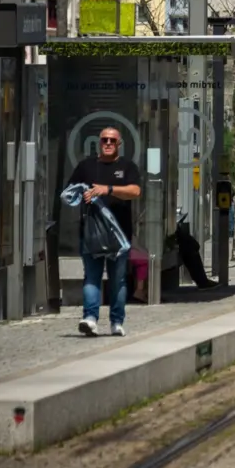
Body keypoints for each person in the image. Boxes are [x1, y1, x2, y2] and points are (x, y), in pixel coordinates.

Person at [66, 127, 142, 337]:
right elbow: (69, 192)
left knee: (117, 280)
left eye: (112, 140)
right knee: (92, 276)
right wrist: (83, 193)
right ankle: (90, 318)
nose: (107, 143)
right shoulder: (86, 166)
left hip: (119, 235)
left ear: (119, 144)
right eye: (104, 140)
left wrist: (107, 189)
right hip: (91, 234)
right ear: (98, 142)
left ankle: (117, 321)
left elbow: (135, 191)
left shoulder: (127, 167)